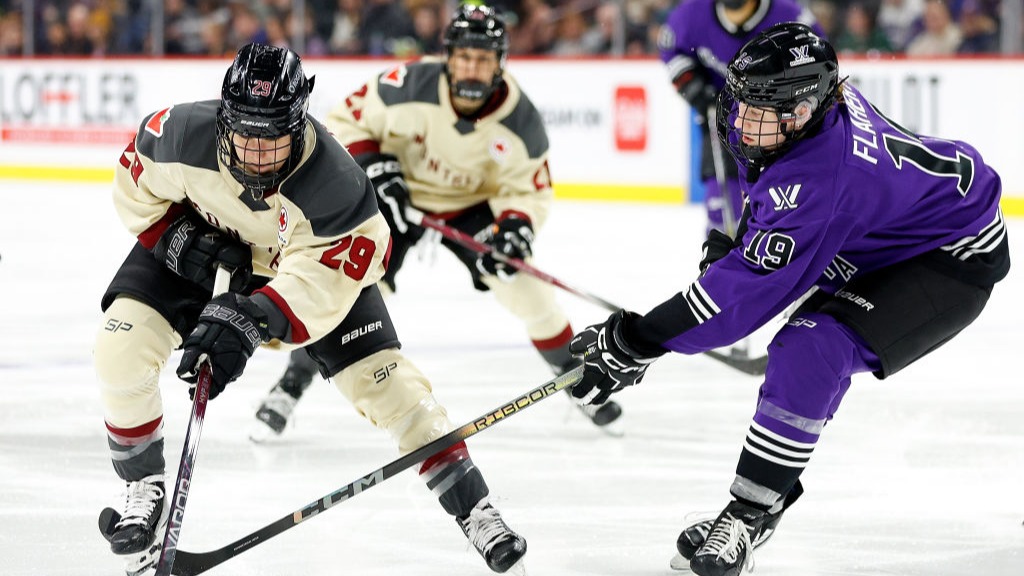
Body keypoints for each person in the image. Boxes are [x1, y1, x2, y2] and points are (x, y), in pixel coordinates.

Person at [569, 23, 1009, 576]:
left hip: (950, 257)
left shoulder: (824, 176)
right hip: (888, 236)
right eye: (743, 104)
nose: (740, 121)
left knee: (811, 348)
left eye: (759, 110)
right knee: (806, 351)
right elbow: (781, 209)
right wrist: (744, 242)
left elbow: (735, 304)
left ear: (802, 109)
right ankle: (765, 497)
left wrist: (636, 340)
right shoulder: (819, 113)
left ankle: (752, 512)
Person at [94, 43, 527, 576]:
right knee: (119, 347)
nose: (255, 154)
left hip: (301, 271)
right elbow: (134, 189)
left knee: (396, 391)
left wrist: (253, 318)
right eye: (245, 134)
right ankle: (144, 484)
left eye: (271, 138)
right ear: (224, 115)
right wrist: (178, 239)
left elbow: (323, 285)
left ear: (298, 124)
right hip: (206, 245)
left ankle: (476, 510)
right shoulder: (177, 133)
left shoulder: (340, 188)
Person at [251, 3, 623, 442]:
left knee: (528, 291)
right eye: (464, 57)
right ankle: (292, 384)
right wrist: (372, 165)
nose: (471, 68)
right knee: (349, 288)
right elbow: (344, 123)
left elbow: (528, 188)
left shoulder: (521, 119)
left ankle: (579, 381)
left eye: (483, 59)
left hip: (469, 207)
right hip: (393, 196)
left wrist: (517, 225)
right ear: (448, 56)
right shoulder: (406, 84)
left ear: (500, 64)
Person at [658, 0, 821, 236]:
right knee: (721, 212)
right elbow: (670, 49)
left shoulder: (790, 14)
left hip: (778, 124)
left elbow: (817, 58)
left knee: (787, 207)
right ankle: (722, 264)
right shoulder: (691, 15)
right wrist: (692, 86)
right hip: (720, 117)